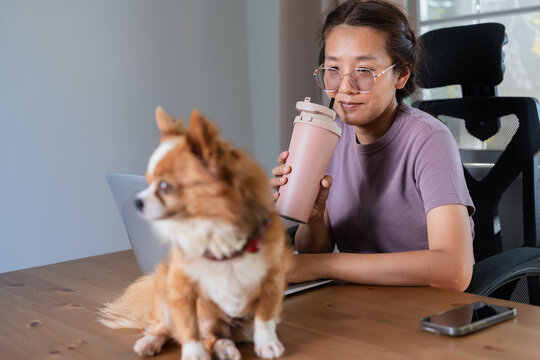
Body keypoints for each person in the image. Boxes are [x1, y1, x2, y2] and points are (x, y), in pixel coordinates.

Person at [271, 0, 475, 292]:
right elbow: (311, 251)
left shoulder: (429, 138)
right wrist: (313, 216)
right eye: (333, 69)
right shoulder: (331, 133)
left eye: (364, 70)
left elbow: (455, 271)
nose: (344, 87)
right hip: (356, 306)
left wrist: (322, 266)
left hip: (426, 311)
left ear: (401, 74)